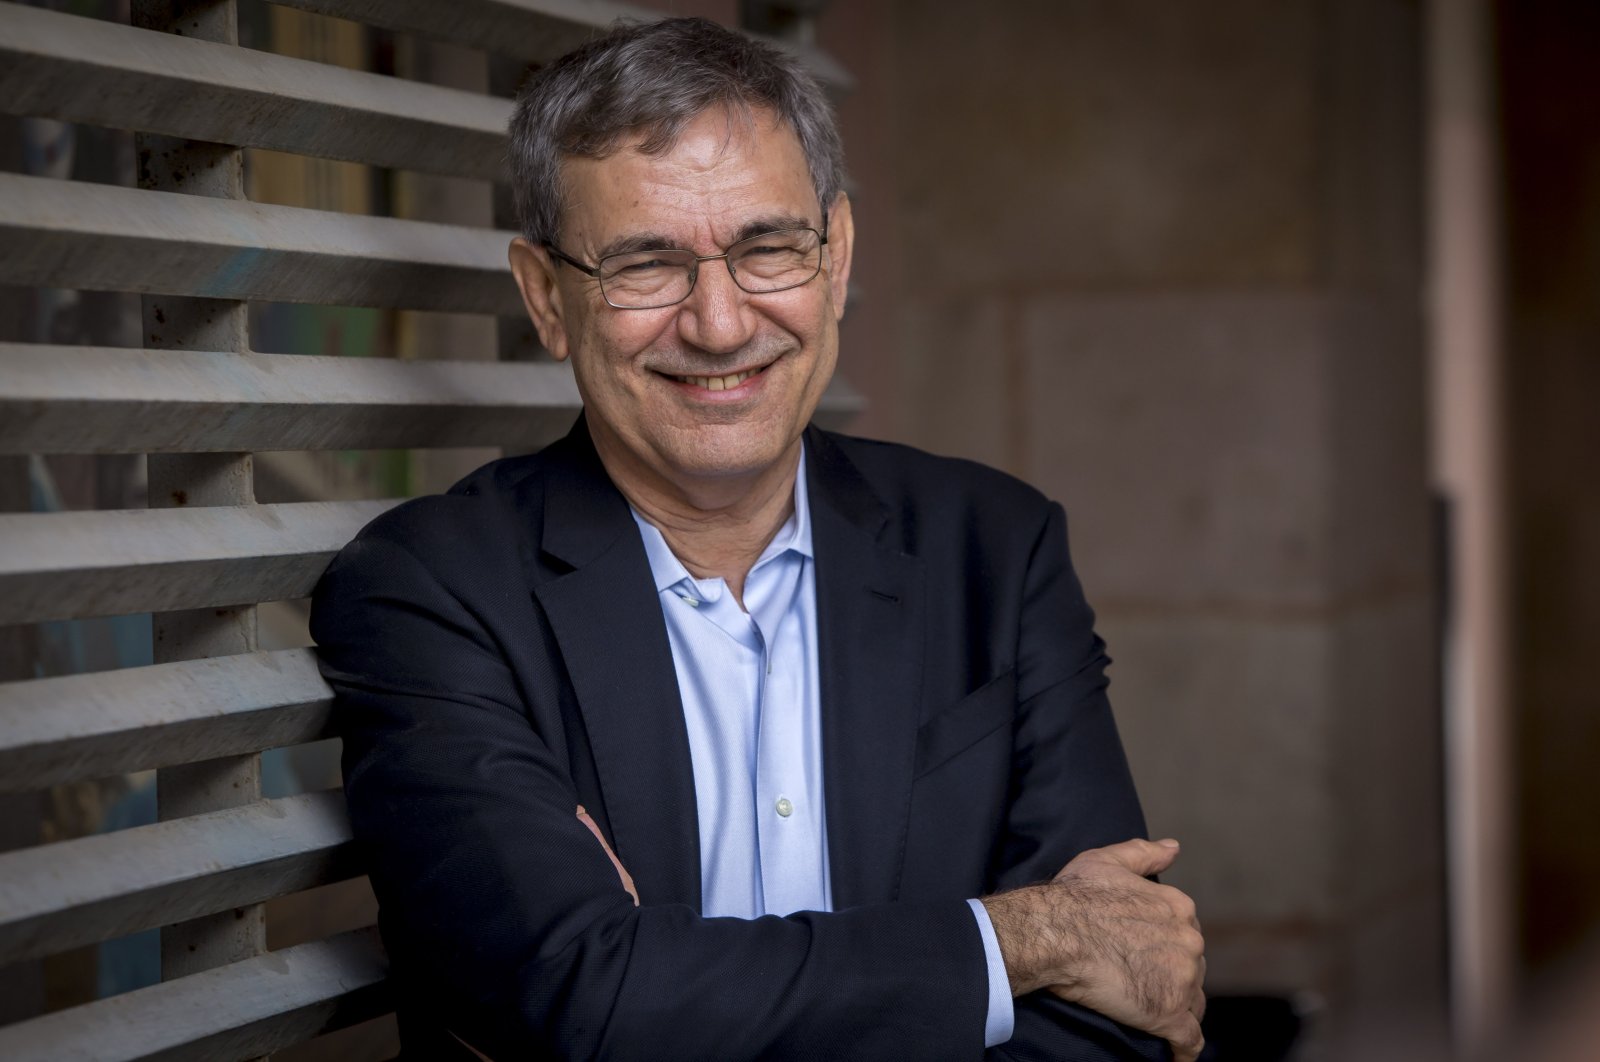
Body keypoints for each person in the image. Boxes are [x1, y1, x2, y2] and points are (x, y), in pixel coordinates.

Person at [311, 16, 1205, 1061]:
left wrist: (675, 975)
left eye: (767, 248)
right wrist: (1022, 937)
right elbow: (584, 1004)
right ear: (547, 298)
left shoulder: (993, 551)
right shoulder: (431, 590)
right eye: (645, 264)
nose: (721, 323)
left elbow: (1118, 1018)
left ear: (836, 260)